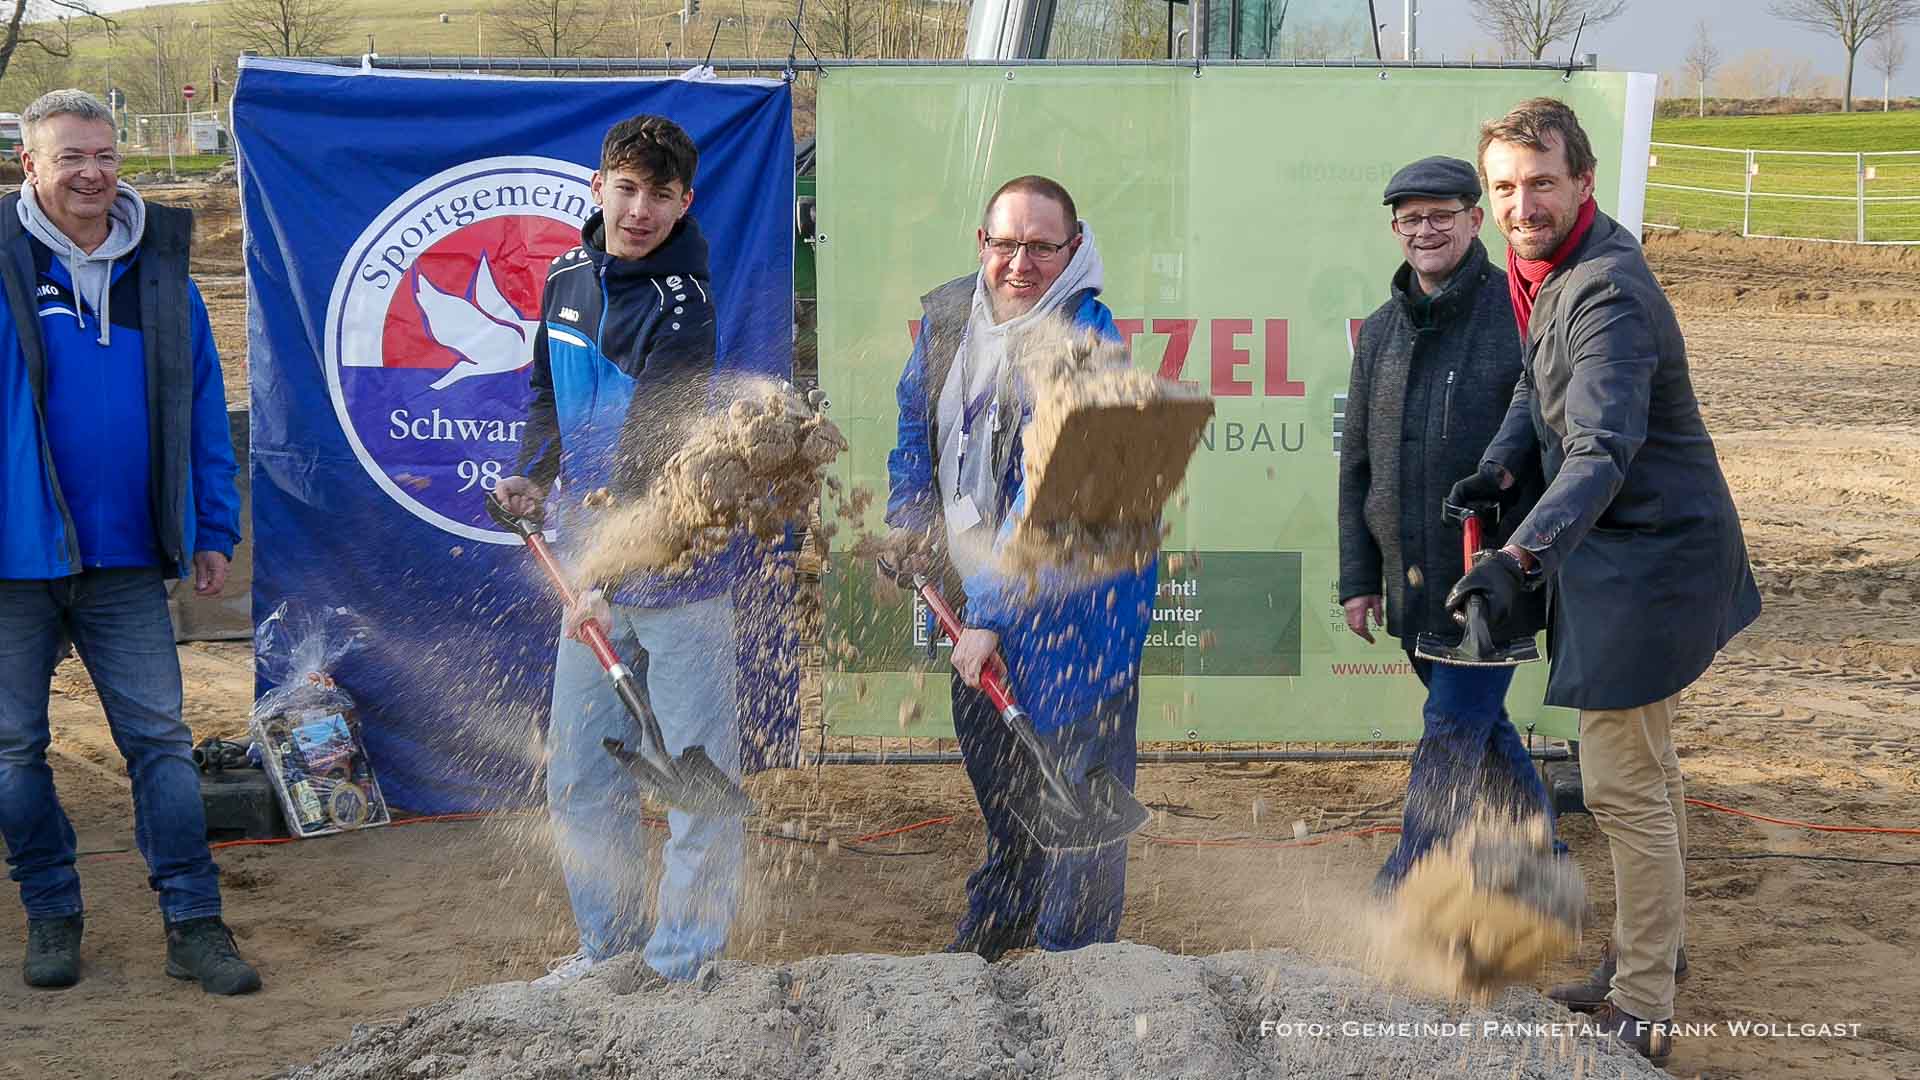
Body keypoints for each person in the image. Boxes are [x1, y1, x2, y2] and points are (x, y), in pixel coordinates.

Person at [1448, 97, 1761, 1064]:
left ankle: (1643, 1004)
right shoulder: (1548, 268)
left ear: (1582, 180)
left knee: (1623, 784)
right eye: (1504, 186)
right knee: (1650, 772)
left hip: (1645, 555)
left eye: (1541, 182)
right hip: (1631, 550)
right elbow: (1530, 390)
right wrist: (1500, 468)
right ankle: (1648, 960)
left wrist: (1520, 555)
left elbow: (1599, 447)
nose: (1521, 202)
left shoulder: (1607, 291)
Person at [0, 89, 258, 994]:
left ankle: (195, 924)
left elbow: (200, 416)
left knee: (161, 743)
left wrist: (212, 529)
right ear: (29, 165)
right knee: (13, 751)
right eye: (69, 156)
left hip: (125, 559)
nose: (92, 173)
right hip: (12, 559)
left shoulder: (164, 275)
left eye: (105, 154)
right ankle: (52, 913)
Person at [880, 176, 1157, 959]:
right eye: (1006, 243)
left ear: (1073, 248)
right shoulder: (945, 321)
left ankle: (1077, 967)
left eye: (1041, 246)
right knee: (1005, 781)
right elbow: (914, 427)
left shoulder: (1086, 347)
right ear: (982, 244)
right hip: (981, 595)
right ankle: (1000, 936)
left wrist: (993, 616)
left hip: (1078, 613)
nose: (1020, 262)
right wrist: (912, 522)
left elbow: (1053, 505)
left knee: (1076, 797)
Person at [495, 114, 742, 987]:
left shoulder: (684, 308)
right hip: (592, 578)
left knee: (694, 782)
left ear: (685, 203)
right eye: (626, 189)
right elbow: (545, 397)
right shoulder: (566, 276)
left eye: (660, 196)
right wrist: (532, 476)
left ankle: (682, 968)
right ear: (598, 187)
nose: (640, 210)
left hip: (677, 581)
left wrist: (601, 573)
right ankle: (610, 953)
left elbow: (652, 459)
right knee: (581, 778)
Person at [1338, 155, 1552, 895]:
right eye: (1410, 218)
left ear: (1472, 219)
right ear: (1394, 228)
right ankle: (1543, 867)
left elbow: (1550, 444)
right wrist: (1360, 579)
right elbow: (1358, 468)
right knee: (1482, 731)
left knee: (1453, 730)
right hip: (1410, 579)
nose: (1424, 229)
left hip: (1492, 580)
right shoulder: (1378, 333)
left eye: (1440, 215)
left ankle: (1404, 884)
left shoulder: (1521, 314)